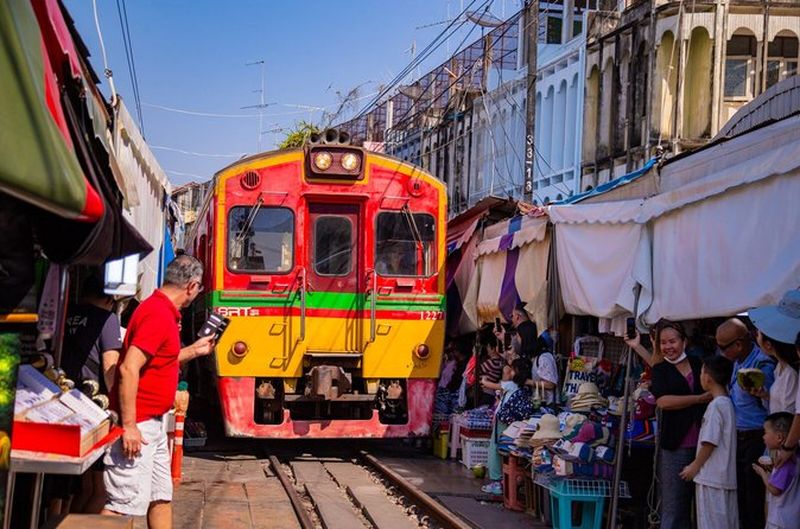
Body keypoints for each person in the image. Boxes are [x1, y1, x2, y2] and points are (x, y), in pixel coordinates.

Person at [101, 256, 215, 529]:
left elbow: (160, 360)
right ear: (192, 285)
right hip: (138, 425)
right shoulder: (158, 314)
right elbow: (129, 369)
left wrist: (195, 350)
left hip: (152, 424)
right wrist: (129, 426)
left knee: (160, 497)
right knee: (121, 506)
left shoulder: (159, 311)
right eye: (199, 289)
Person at [649, 321, 710, 529]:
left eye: (672, 341)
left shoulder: (698, 363)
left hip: (705, 443)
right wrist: (699, 399)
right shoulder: (660, 369)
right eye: (663, 343)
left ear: (684, 341)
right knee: (674, 504)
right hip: (676, 444)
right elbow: (663, 402)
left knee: (704, 503)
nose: (668, 347)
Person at [717, 317, 776, 529]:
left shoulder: (762, 363)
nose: (721, 352)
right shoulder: (737, 362)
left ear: (739, 344)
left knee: (753, 497)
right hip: (738, 437)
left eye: (723, 347)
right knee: (740, 494)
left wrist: (762, 393)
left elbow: (772, 399)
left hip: (756, 438)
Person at [679, 355, 738, 529]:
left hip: (712, 478)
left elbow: (709, 442)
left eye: (702, 372)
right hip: (723, 476)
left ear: (708, 378)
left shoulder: (716, 406)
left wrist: (694, 466)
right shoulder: (726, 404)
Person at [750, 291, 800, 474]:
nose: (756, 338)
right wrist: (765, 395)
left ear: (769, 344)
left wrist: (786, 448)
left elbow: (793, 414)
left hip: (787, 446)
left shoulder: (791, 374)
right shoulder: (780, 369)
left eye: (759, 335)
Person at [481, 358, 533, 496]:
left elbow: (493, 386)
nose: (509, 371)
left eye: (512, 369)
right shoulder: (525, 386)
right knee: (507, 451)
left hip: (503, 422)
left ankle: (497, 482)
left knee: (496, 449)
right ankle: (505, 482)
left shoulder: (511, 385)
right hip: (514, 424)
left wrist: (484, 380)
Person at [752, 412, 800, 529]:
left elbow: (775, 490)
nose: (763, 436)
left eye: (765, 432)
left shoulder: (784, 462)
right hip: (791, 519)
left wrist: (762, 473)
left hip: (779, 520)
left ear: (779, 437)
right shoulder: (795, 456)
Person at [526, 336, 558, 405]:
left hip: (548, 403)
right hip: (540, 402)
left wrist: (528, 382)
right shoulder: (537, 358)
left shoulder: (544, 358)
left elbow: (550, 384)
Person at [475, 335, 504, 407]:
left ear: (493, 348)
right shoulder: (500, 361)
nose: (487, 349)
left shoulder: (492, 362)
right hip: (489, 391)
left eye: (488, 347)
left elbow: (475, 371)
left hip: (487, 392)